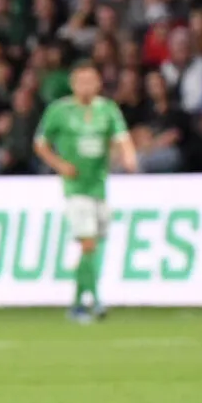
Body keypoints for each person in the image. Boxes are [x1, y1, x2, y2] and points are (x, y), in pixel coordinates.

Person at [33, 62, 138, 323]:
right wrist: (59, 165)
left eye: (91, 81)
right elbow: (40, 143)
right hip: (76, 188)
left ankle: (78, 303)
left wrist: (128, 156)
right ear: (73, 84)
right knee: (89, 243)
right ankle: (97, 299)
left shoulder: (107, 109)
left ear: (99, 84)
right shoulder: (60, 111)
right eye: (81, 81)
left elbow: (122, 136)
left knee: (92, 248)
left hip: (99, 185)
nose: (86, 86)